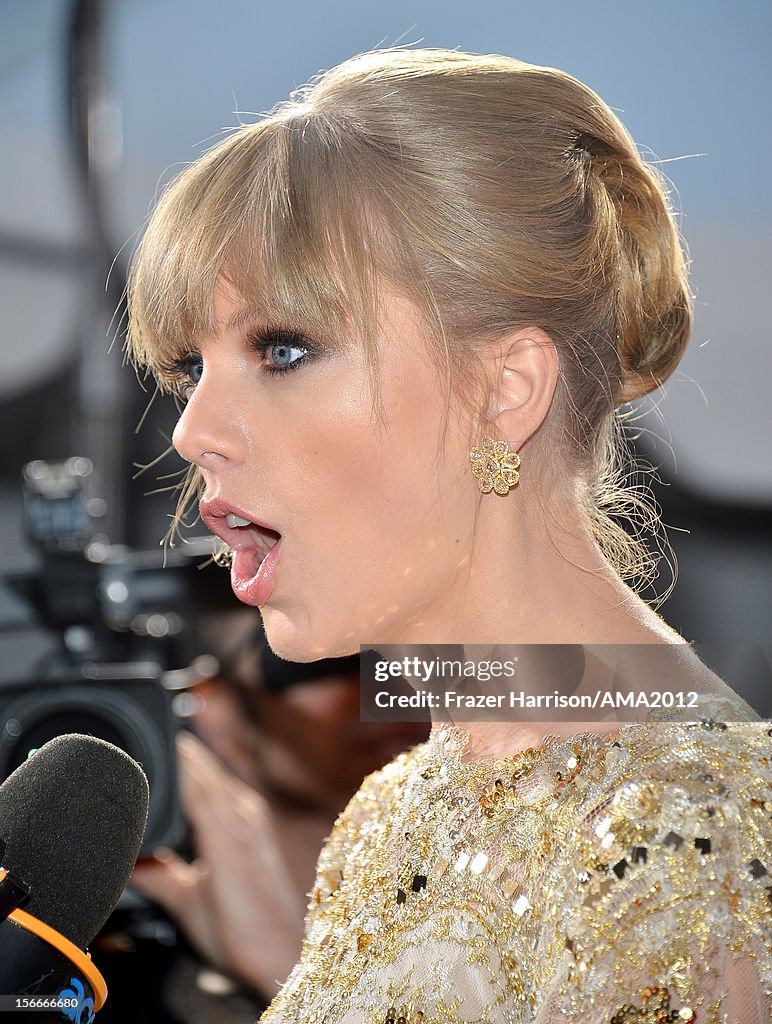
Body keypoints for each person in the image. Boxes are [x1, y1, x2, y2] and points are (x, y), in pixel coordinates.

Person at [125, 47, 770, 1023]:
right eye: (191, 368)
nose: (192, 430)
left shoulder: (671, 840)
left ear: (503, 388)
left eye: (281, 347)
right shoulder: (400, 805)